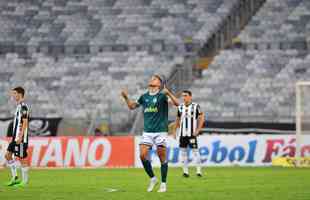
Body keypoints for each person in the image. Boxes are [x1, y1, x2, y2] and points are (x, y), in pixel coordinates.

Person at [121, 75, 179, 192]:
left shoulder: (162, 96)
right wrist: (126, 97)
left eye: (155, 78)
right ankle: (153, 178)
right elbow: (132, 107)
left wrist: (169, 93)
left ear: (159, 84)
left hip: (160, 132)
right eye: (152, 78)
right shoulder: (144, 97)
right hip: (147, 132)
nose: (152, 79)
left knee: (161, 156)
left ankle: (163, 183)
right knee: (142, 155)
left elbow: (178, 104)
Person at [174, 90, 204, 177]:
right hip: (182, 134)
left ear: (190, 96)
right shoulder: (180, 107)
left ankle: (198, 171)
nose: (184, 97)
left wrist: (198, 130)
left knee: (195, 152)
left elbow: (201, 118)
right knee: (183, 153)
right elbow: (177, 119)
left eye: (186, 95)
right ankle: (185, 172)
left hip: (192, 134)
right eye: (183, 96)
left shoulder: (196, 106)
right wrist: (174, 131)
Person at [5, 87, 30, 187]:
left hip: (20, 138)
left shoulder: (24, 107)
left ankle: (25, 181)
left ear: (20, 94)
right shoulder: (19, 107)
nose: (13, 95)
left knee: (22, 157)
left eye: (14, 93)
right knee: (7, 155)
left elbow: (25, 122)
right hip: (14, 138)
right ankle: (15, 177)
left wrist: (20, 136)